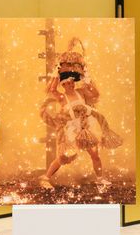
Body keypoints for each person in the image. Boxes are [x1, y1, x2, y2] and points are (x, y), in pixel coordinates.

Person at [39, 38, 122, 189]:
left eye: (71, 82)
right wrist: (56, 72)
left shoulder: (81, 92)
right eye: (66, 83)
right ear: (62, 84)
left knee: (95, 154)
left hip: (86, 128)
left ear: (74, 82)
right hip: (71, 130)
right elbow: (50, 90)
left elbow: (95, 93)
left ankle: (100, 178)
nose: (69, 85)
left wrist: (86, 76)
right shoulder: (62, 96)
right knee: (62, 157)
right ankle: (45, 177)